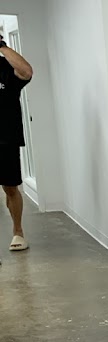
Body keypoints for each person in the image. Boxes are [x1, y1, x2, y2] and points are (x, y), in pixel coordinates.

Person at [0, 33, 33, 257]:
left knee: (10, 187)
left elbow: (26, 72)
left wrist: (2, 46)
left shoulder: (6, 67)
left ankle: (18, 232)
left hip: (5, 138)